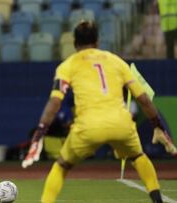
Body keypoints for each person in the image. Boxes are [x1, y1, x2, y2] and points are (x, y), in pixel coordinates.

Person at [22, 21, 177, 203]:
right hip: (121, 124)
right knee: (138, 157)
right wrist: (158, 126)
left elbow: (55, 101)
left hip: (89, 127)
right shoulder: (116, 61)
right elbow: (143, 99)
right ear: (97, 41)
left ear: (74, 43)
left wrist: (40, 132)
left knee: (62, 166)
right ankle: (158, 200)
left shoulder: (68, 65)